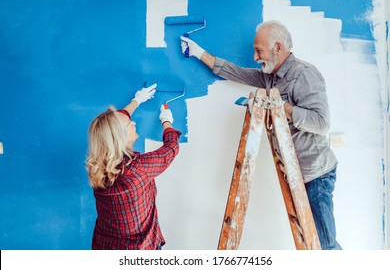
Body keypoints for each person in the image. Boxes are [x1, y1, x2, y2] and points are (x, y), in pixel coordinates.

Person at [180, 20, 341, 250]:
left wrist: (279, 106)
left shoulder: (304, 74)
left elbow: (322, 123)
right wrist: (197, 51)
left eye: (259, 51)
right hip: (295, 173)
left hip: (316, 174)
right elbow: (234, 72)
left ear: (278, 48)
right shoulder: (270, 77)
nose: (255, 57)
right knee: (312, 246)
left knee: (326, 247)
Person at [85, 83, 181, 250]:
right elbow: (171, 149)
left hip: (105, 246)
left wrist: (136, 100)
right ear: (121, 138)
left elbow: (112, 125)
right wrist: (167, 122)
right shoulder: (138, 168)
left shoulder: (98, 166)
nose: (134, 123)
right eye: (130, 124)